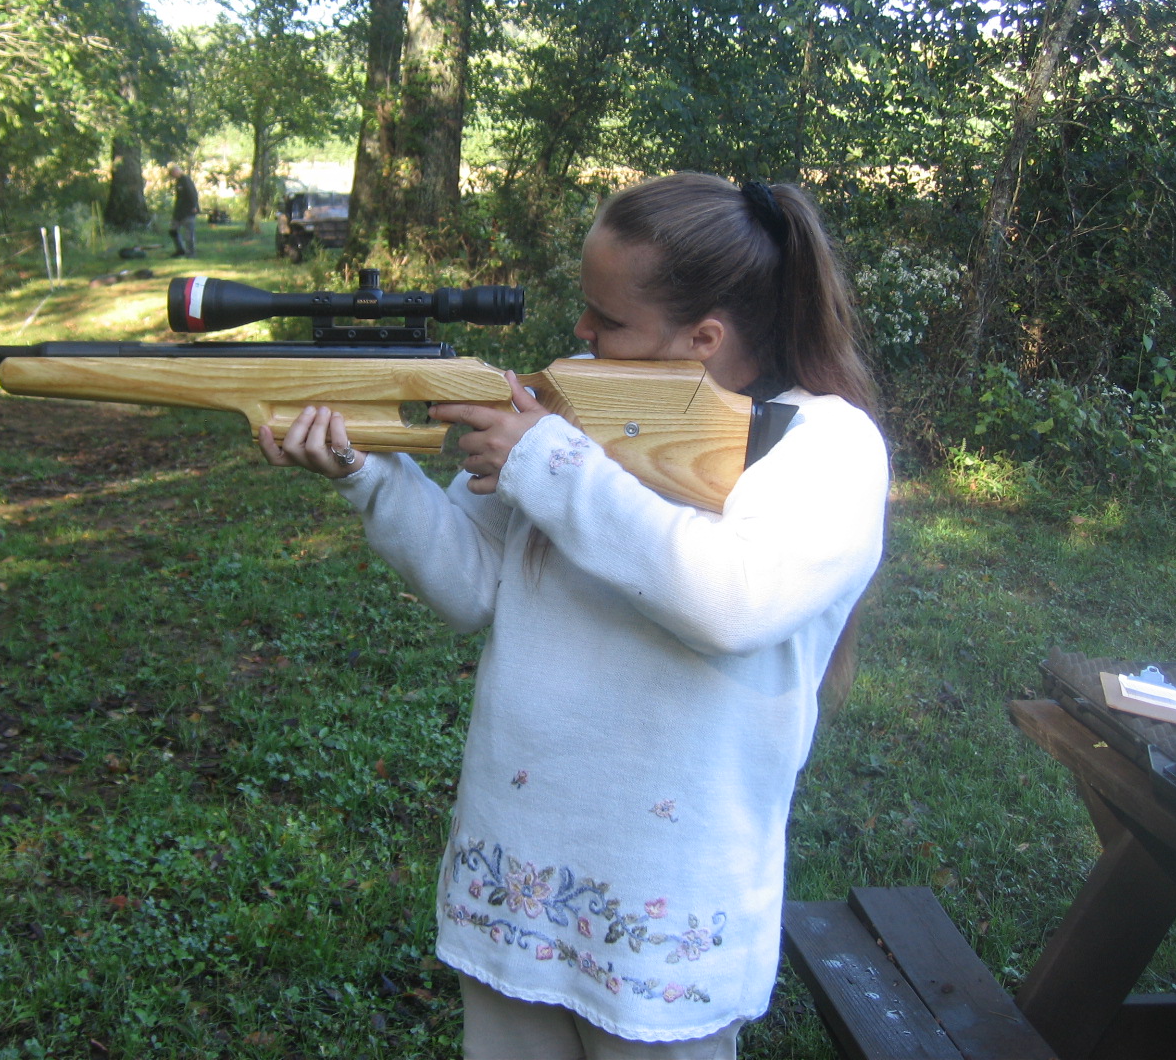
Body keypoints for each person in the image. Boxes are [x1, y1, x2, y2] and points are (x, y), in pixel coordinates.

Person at [259, 173, 889, 1059]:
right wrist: (369, 474)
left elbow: (738, 601)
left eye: (609, 318)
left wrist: (551, 462)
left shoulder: (828, 446)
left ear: (704, 338)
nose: (582, 333)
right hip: (521, 866)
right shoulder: (572, 406)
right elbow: (471, 583)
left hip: (669, 901)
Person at [169, 166, 199, 258]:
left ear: (177, 171)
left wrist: (194, 206)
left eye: (173, 173)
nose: (173, 175)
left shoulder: (186, 180)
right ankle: (180, 249)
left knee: (189, 233)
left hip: (188, 210)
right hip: (179, 211)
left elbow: (193, 193)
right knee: (173, 230)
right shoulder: (178, 182)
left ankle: (191, 253)